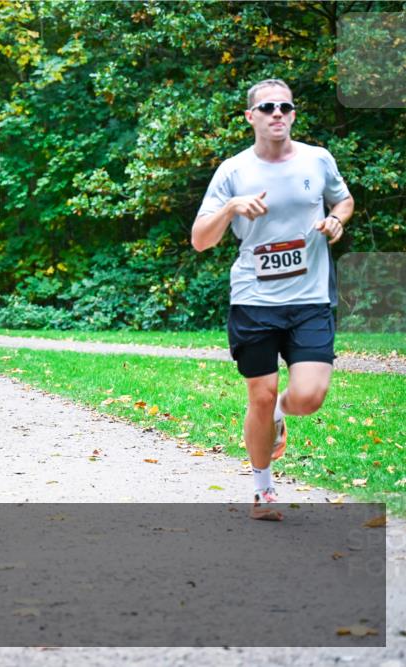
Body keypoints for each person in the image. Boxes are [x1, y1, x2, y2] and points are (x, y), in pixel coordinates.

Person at [192, 78, 354, 521]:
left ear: (293, 114)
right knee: (259, 396)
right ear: (251, 117)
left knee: (308, 396)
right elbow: (200, 240)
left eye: (285, 106)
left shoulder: (317, 159)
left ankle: (283, 414)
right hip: (254, 300)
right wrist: (230, 209)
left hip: (310, 298)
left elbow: (343, 201)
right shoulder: (232, 171)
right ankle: (263, 491)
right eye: (267, 107)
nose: (277, 113)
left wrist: (336, 221)